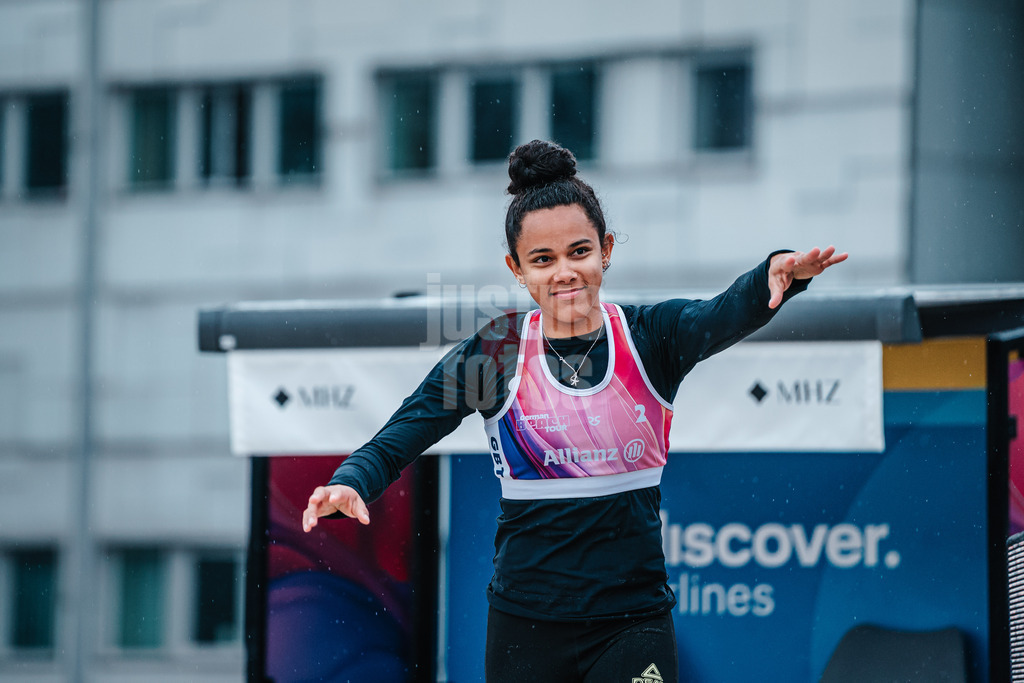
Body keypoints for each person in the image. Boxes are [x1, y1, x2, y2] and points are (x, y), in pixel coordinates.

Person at [303, 139, 847, 682]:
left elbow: (724, 312)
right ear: (517, 269)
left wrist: (775, 275)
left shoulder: (650, 337)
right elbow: (408, 428)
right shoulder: (498, 350)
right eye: (543, 260)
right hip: (526, 626)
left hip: (633, 624)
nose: (564, 272)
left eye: (579, 252)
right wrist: (352, 479)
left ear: (606, 249)